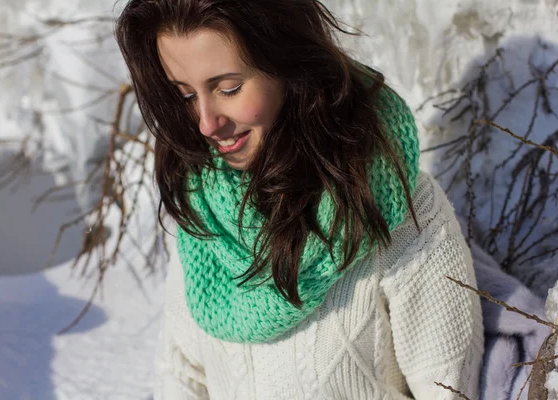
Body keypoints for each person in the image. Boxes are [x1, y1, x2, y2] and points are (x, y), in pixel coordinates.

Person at [115, 0, 484, 398]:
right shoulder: (201, 210)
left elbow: (448, 388)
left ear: (292, 67)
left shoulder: (398, 209)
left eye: (229, 89)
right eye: (185, 95)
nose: (206, 122)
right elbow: (181, 375)